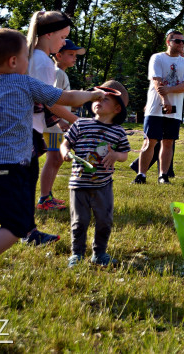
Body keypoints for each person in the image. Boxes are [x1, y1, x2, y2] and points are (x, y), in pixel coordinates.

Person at [0, 28, 103, 293]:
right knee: (17, 224)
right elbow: (66, 98)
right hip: (8, 166)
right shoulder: (25, 83)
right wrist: (94, 95)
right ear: (14, 62)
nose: (30, 63)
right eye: (26, 57)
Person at [61, 80, 131, 268]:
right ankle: (77, 254)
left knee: (104, 220)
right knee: (79, 221)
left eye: (105, 99)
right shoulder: (80, 124)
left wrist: (115, 155)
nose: (99, 101)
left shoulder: (118, 132)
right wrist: (64, 151)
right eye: (97, 98)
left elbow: (125, 154)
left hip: (103, 184)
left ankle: (99, 253)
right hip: (79, 183)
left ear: (117, 109)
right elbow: (66, 143)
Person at [26, 11, 81, 212]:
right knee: (27, 177)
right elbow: (50, 102)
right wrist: (78, 122)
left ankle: (26, 225)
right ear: (49, 34)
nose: (63, 43)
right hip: (29, 127)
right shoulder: (43, 62)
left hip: (30, 126)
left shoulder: (34, 57)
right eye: (62, 37)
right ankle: (27, 228)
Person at [134, 30, 184, 184]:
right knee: (150, 141)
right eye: (177, 41)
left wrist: (170, 90)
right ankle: (141, 175)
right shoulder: (157, 58)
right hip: (155, 107)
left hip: (175, 108)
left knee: (168, 142)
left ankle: (163, 175)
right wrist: (164, 99)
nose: (181, 44)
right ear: (168, 42)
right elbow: (156, 81)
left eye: (183, 42)